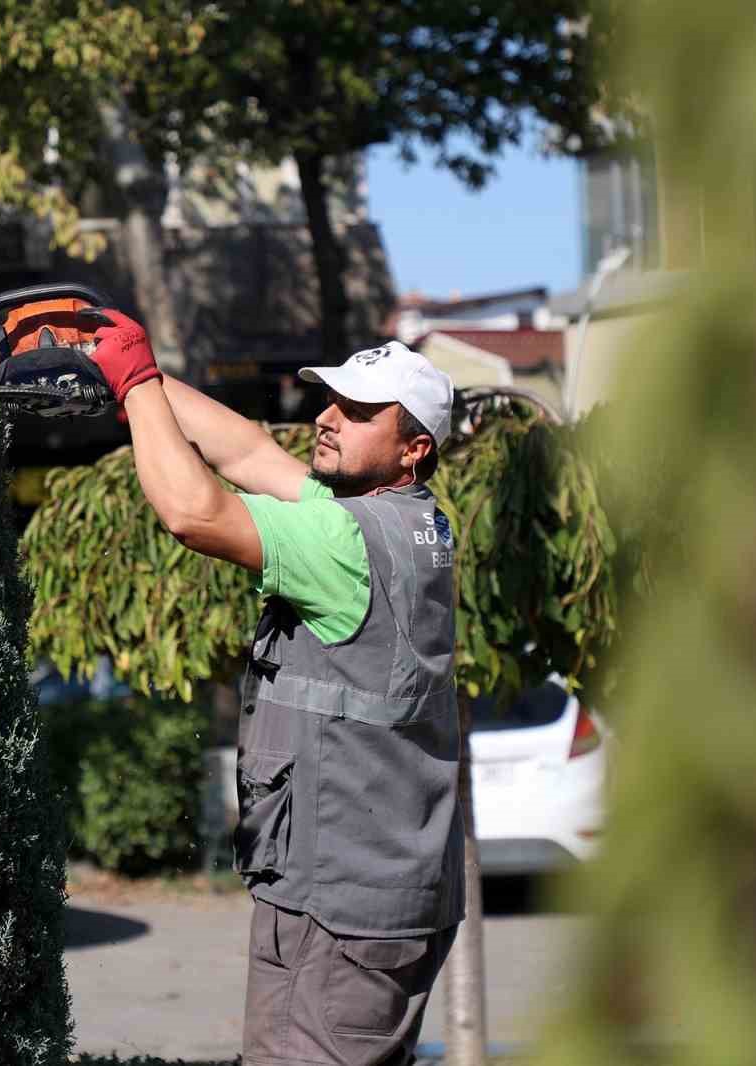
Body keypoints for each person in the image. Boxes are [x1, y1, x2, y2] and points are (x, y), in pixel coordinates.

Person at [85, 310, 464, 1066]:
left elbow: (196, 512)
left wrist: (133, 382)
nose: (327, 418)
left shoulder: (344, 542)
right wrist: (129, 379)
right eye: (331, 399)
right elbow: (249, 450)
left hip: (341, 906)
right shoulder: (407, 521)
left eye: (358, 412)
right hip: (376, 891)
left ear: (414, 447)